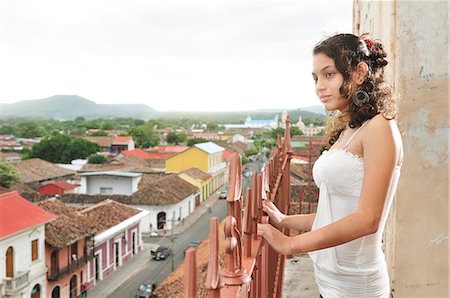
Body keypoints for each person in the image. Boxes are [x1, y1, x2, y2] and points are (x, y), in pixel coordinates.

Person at [257, 33, 403, 298]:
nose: (319, 87)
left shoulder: (380, 128)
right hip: (329, 282)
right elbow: (335, 215)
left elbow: (367, 220)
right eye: (315, 78)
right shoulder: (350, 129)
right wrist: (285, 220)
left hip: (357, 288)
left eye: (329, 74)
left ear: (359, 73)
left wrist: (291, 244)